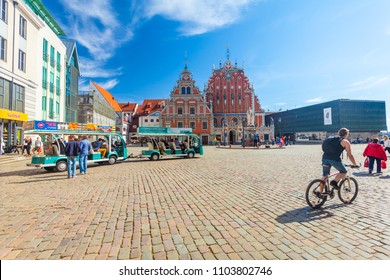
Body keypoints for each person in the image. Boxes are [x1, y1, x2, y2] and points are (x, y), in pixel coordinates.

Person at [318, 128, 358, 195]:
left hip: (325, 158)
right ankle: (334, 182)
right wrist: (354, 164)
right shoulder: (345, 141)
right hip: (334, 159)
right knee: (343, 172)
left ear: (339, 133)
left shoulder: (331, 139)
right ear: (346, 134)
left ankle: (319, 192)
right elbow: (350, 155)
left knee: (325, 176)